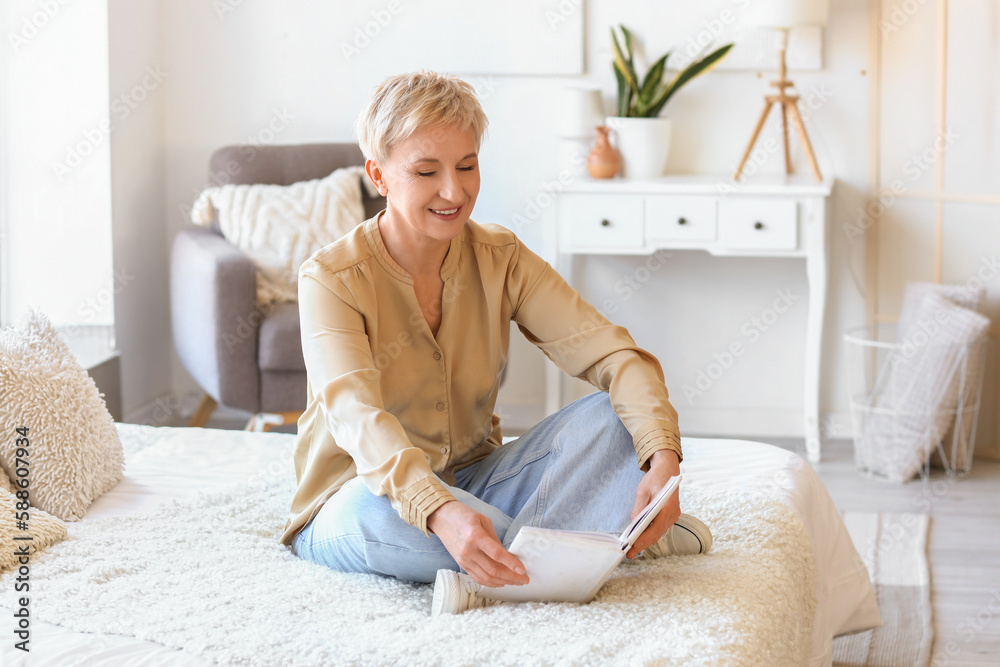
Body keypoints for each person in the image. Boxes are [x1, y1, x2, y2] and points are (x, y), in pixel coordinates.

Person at [279, 69, 711, 616]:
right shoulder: (330, 279)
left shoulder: (501, 258)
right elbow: (357, 418)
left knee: (614, 417)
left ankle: (506, 563)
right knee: (374, 511)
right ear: (378, 176)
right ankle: (595, 547)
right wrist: (438, 511)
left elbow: (611, 354)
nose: (454, 192)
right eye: (425, 171)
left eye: (467, 166)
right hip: (357, 499)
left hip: (478, 486)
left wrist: (663, 461)